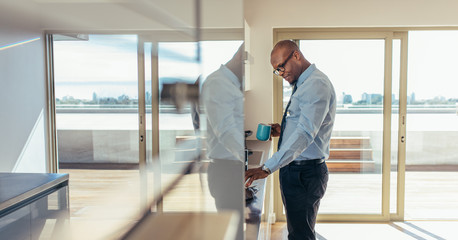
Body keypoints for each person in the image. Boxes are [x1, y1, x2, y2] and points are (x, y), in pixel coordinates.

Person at [245, 40, 336, 240]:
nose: (281, 74)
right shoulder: (304, 84)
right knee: (299, 231)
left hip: (303, 173)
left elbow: (305, 133)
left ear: (296, 55)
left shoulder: (316, 84)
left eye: (281, 67)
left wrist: (266, 168)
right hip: (296, 170)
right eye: (276, 71)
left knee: (300, 235)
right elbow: (303, 123)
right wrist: (283, 129)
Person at [201, 43, 245, 240]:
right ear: (240, 57)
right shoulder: (218, 83)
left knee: (235, 231)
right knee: (232, 233)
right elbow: (226, 130)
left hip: (232, 169)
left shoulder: (231, 84)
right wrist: (249, 160)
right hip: (226, 171)